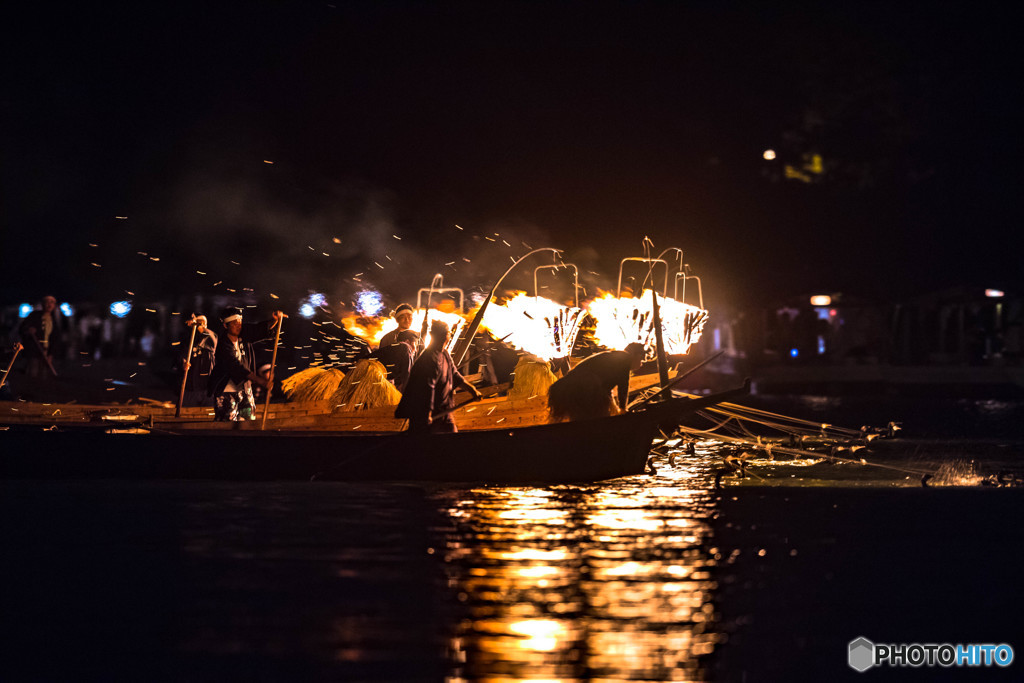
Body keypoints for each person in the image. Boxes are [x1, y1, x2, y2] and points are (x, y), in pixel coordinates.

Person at [395, 319, 481, 434]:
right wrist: (427, 414)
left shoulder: (444, 354)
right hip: (426, 416)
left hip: (444, 413)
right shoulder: (429, 359)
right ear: (444, 335)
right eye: (447, 333)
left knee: (450, 432)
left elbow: (455, 376)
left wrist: (473, 390)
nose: (449, 336)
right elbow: (426, 389)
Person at [208, 306, 282, 421]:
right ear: (225, 326)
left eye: (240, 322)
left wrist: (275, 320)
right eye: (234, 323)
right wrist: (259, 380)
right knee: (227, 423)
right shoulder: (223, 345)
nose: (238, 325)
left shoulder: (244, 333)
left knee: (248, 420)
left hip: (244, 389)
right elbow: (236, 366)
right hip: (226, 390)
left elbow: (259, 329)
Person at [547, 342, 646, 422]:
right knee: (597, 418)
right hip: (582, 387)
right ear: (634, 354)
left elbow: (607, 389)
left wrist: (617, 409)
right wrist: (623, 409)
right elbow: (623, 387)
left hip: (568, 388)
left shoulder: (614, 360)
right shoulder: (625, 358)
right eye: (641, 359)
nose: (641, 364)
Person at [18, 295, 62, 378]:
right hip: (34, 351)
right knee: (32, 375)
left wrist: (51, 354)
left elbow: (55, 338)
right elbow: (22, 329)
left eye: (52, 302)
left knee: (44, 376)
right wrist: (28, 330)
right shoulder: (34, 316)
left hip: (46, 352)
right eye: (47, 302)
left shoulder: (54, 319)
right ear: (43, 304)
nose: (49, 305)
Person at [180, 315, 217, 407]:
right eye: (198, 323)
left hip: (208, 388)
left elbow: (209, 336)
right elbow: (184, 355)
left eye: (202, 323)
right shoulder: (191, 339)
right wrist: (184, 363)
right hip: (192, 387)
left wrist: (199, 325)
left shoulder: (210, 337)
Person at [373, 328, 417, 392]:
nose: (415, 350)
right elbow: (406, 377)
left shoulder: (396, 349)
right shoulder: (406, 347)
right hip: (371, 375)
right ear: (407, 342)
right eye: (415, 345)